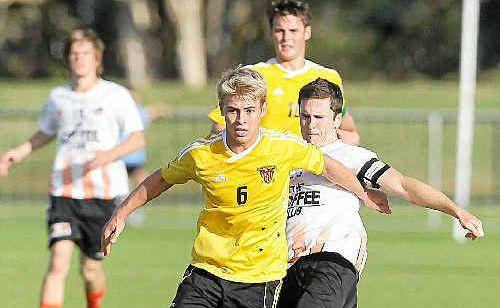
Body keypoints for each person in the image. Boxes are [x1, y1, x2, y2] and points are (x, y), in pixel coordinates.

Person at [102, 67, 385, 308]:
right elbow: (161, 179)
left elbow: (328, 165)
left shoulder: (283, 147)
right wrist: (122, 212)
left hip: (259, 279)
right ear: (222, 111)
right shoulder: (201, 154)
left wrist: (363, 192)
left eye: (249, 110)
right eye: (233, 111)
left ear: (262, 110)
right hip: (207, 271)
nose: (241, 120)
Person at [277, 78, 485, 308]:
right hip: (289, 266)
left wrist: (457, 211)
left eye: (319, 117)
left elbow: (403, 186)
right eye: (305, 116)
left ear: (337, 120)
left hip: (331, 259)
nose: (311, 125)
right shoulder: (289, 157)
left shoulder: (352, 156)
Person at [0, 29, 145, 308]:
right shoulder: (58, 97)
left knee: (90, 270)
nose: (79, 59)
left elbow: (137, 138)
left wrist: (109, 155)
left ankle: (94, 303)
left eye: (85, 54)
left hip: (102, 194)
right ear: (68, 59)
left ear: (97, 59)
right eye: (74, 54)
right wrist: (18, 152)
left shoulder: (116, 95)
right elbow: (46, 132)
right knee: (58, 261)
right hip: (64, 191)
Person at [208, 0, 360, 145]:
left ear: (307, 32)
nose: (286, 38)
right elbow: (219, 129)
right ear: (271, 33)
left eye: (293, 30)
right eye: (280, 31)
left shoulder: (328, 77)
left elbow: (350, 133)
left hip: (310, 168)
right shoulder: (251, 75)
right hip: (265, 167)